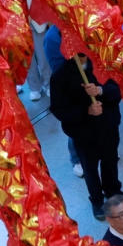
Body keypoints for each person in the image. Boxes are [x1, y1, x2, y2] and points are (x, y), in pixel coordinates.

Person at [49, 53, 123, 220]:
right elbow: (59, 109)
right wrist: (86, 111)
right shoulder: (60, 76)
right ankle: (97, 200)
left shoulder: (103, 62)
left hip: (108, 126)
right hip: (84, 134)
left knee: (110, 161)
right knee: (90, 168)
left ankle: (113, 190)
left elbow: (118, 90)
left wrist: (100, 90)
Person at [43, 25, 83, 178]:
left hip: (87, 81)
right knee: (76, 126)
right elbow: (58, 69)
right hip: (71, 88)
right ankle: (76, 159)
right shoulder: (53, 37)